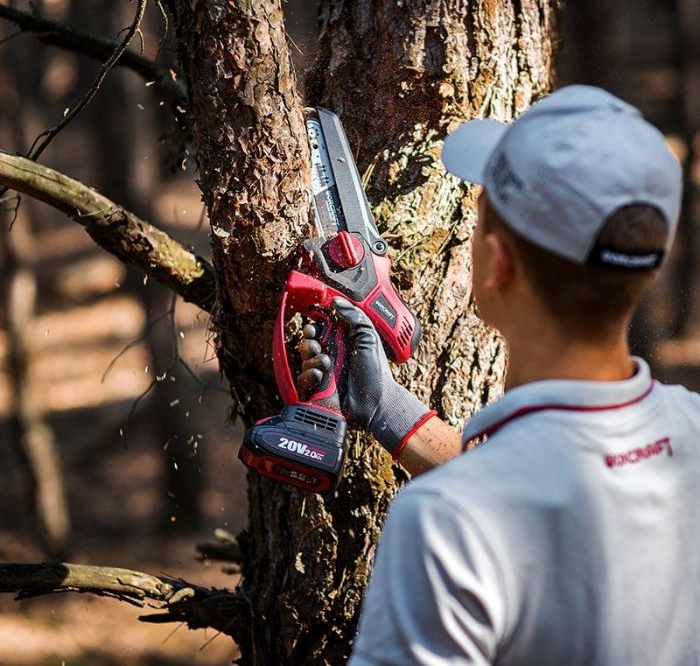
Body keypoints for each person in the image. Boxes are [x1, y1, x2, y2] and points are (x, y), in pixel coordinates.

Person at [297, 85, 700, 665]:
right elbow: (556, 500)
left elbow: (515, 507)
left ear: (499, 264)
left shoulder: (443, 526)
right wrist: (389, 410)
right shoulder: (688, 429)